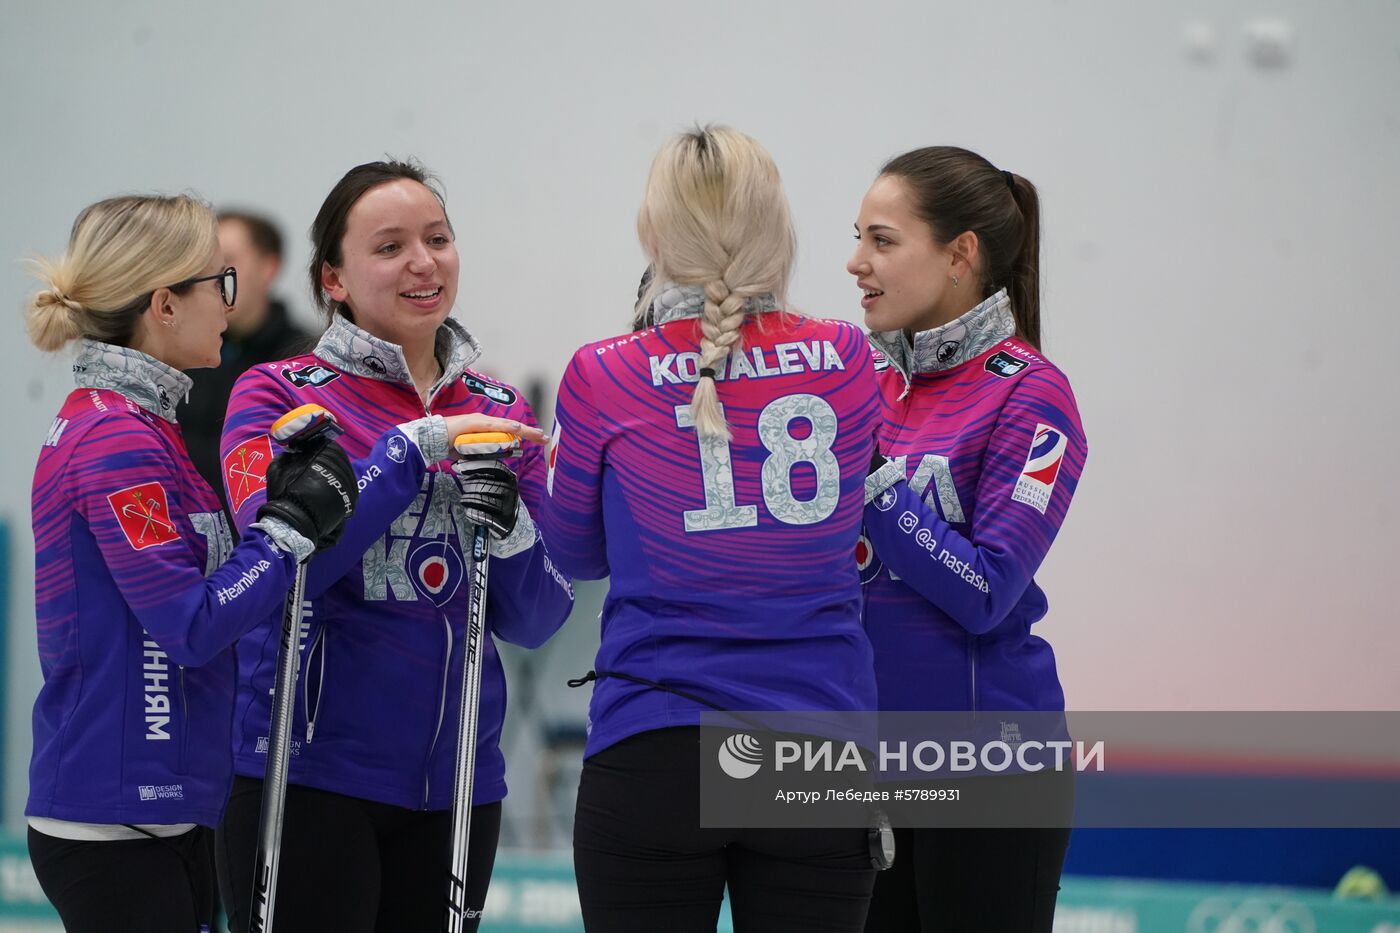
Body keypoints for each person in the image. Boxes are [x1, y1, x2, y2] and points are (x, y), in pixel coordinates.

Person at [214, 159, 574, 933]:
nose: (423, 261)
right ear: (333, 278)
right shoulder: (278, 393)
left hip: (458, 789)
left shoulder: (498, 409)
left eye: (437, 239)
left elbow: (538, 620)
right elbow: (281, 573)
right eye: (389, 246)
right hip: (307, 778)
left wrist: (509, 526)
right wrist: (407, 452)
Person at [541, 126, 884, 933]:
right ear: (778, 232)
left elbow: (575, 554)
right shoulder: (847, 356)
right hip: (816, 742)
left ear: (653, 236)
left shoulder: (602, 370)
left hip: (657, 741)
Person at [23, 194, 356, 933]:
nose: (229, 305)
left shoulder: (146, 425)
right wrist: (289, 528)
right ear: (164, 304)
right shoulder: (115, 441)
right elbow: (191, 625)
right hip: (117, 819)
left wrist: (278, 504)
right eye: (220, 283)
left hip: (164, 805)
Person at [849, 146, 1088, 932]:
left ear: (961, 254)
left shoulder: (1033, 394)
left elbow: (988, 591)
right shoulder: (862, 387)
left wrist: (876, 482)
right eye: (858, 238)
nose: (856, 263)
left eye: (883, 241)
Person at [179, 211, 311, 511]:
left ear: (269, 267)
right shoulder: (180, 356)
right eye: (204, 269)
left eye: (226, 265)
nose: (214, 281)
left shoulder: (303, 361)